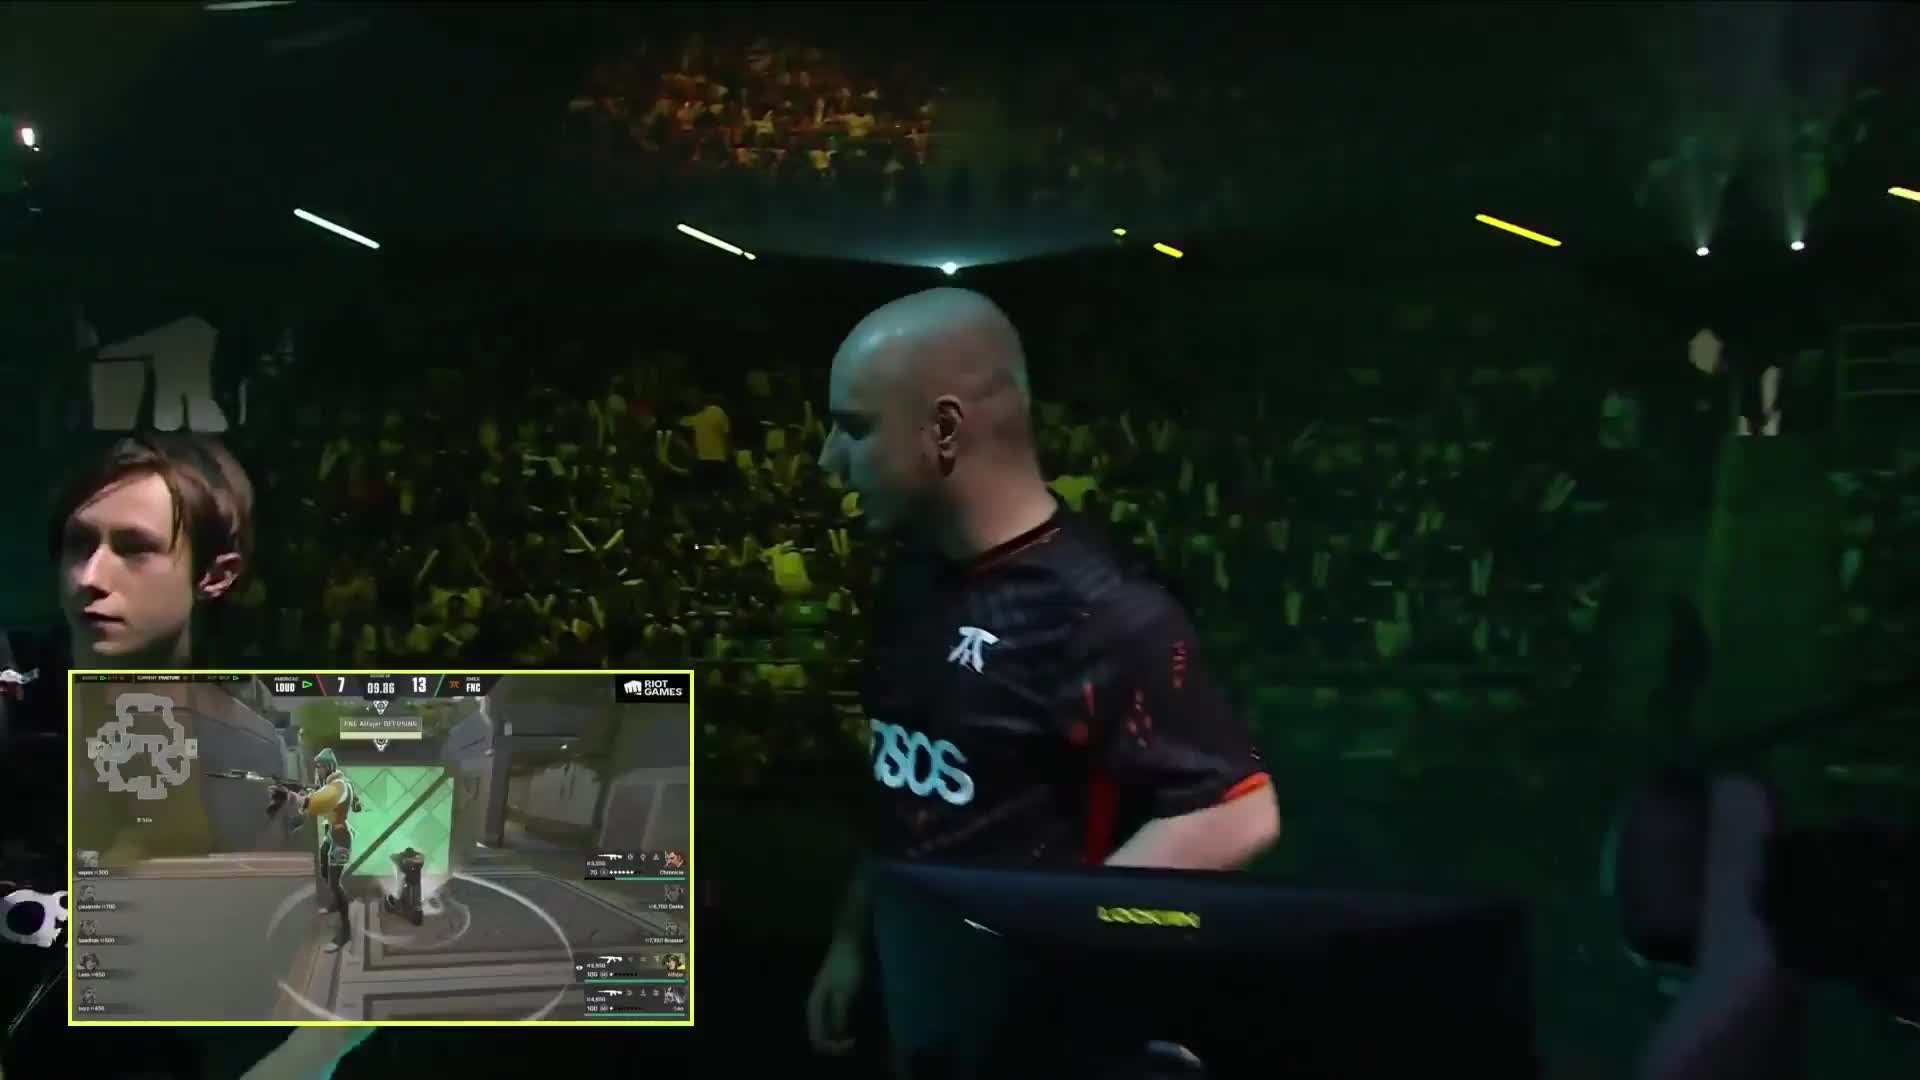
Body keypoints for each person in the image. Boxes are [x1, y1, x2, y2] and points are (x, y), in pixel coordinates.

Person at [805, 288, 1281, 1057]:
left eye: (854, 428)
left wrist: (1058, 949)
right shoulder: (911, 577)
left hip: (1034, 1032)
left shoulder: (1103, 609)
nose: (828, 459)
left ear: (943, 428)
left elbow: (1235, 813)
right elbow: (902, 790)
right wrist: (852, 940)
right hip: (919, 988)